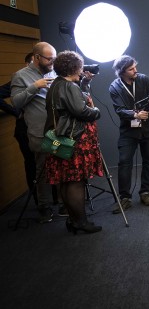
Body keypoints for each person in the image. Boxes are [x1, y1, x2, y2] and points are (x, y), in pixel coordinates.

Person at [43, 51, 103, 234]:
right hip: (75, 141)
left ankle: (73, 220)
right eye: (80, 68)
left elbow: (72, 104)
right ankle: (81, 222)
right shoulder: (69, 86)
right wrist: (96, 111)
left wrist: (83, 84)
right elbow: (81, 111)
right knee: (76, 182)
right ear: (74, 68)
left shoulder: (57, 84)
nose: (81, 71)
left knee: (66, 181)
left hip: (61, 140)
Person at [11, 42, 57, 223]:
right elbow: (16, 102)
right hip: (39, 133)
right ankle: (44, 207)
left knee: (62, 166)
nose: (52, 62)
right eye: (49, 58)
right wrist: (34, 86)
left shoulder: (53, 72)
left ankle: (64, 204)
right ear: (37, 57)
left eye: (54, 58)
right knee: (43, 171)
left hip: (57, 131)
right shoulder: (20, 76)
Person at [109, 55, 149, 213]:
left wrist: (145, 112)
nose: (135, 70)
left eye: (135, 66)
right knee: (124, 162)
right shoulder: (114, 87)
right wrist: (135, 114)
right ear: (122, 71)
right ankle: (125, 198)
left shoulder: (144, 79)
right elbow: (119, 110)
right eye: (131, 69)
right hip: (128, 131)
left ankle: (145, 193)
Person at [1, 53, 36, 196]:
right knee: (32, 164)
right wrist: (15, 112)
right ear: (27, 65)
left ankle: (55, 199)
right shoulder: (18, 81)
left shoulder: (46, 78)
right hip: (24, 129)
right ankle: (39, 203)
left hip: (43, 128)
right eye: (33, 62)